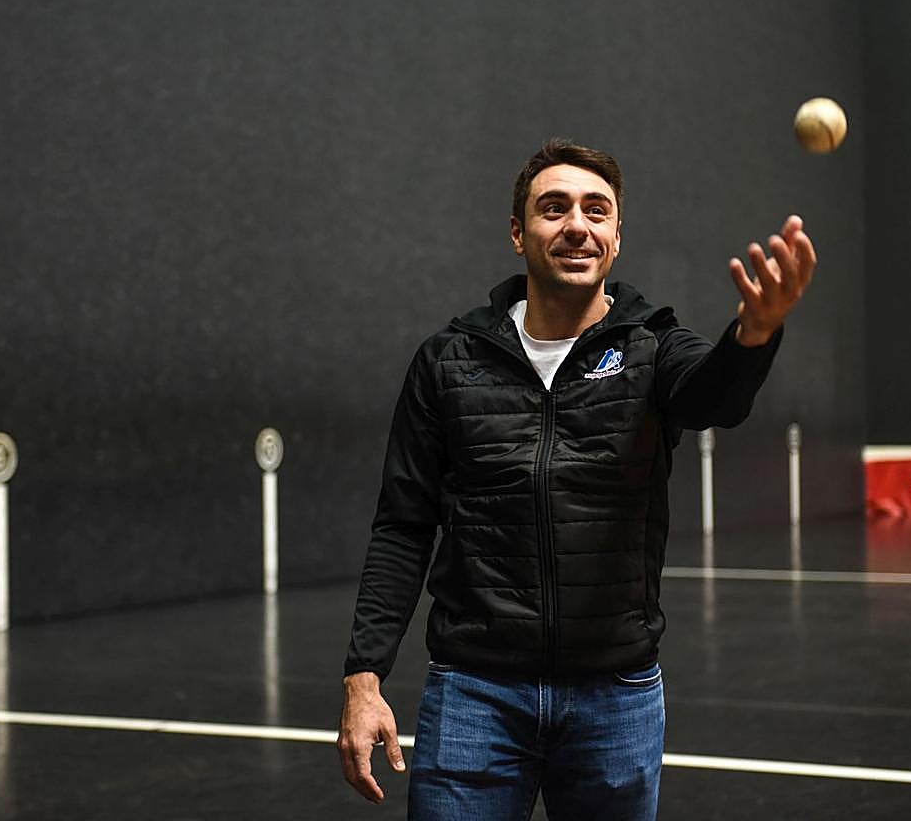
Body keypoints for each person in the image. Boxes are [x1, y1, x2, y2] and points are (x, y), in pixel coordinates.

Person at [336, 138, 816, 820]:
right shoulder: (450, 361)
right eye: (552, 208)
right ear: (517, 233)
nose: (576, 225)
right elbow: (403, 525)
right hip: (474, 696)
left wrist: (756, 333)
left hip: (615, 699)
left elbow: (717, 399)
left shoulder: (652, 348)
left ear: (616, 237)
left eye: (597, 210)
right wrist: (364, 678)